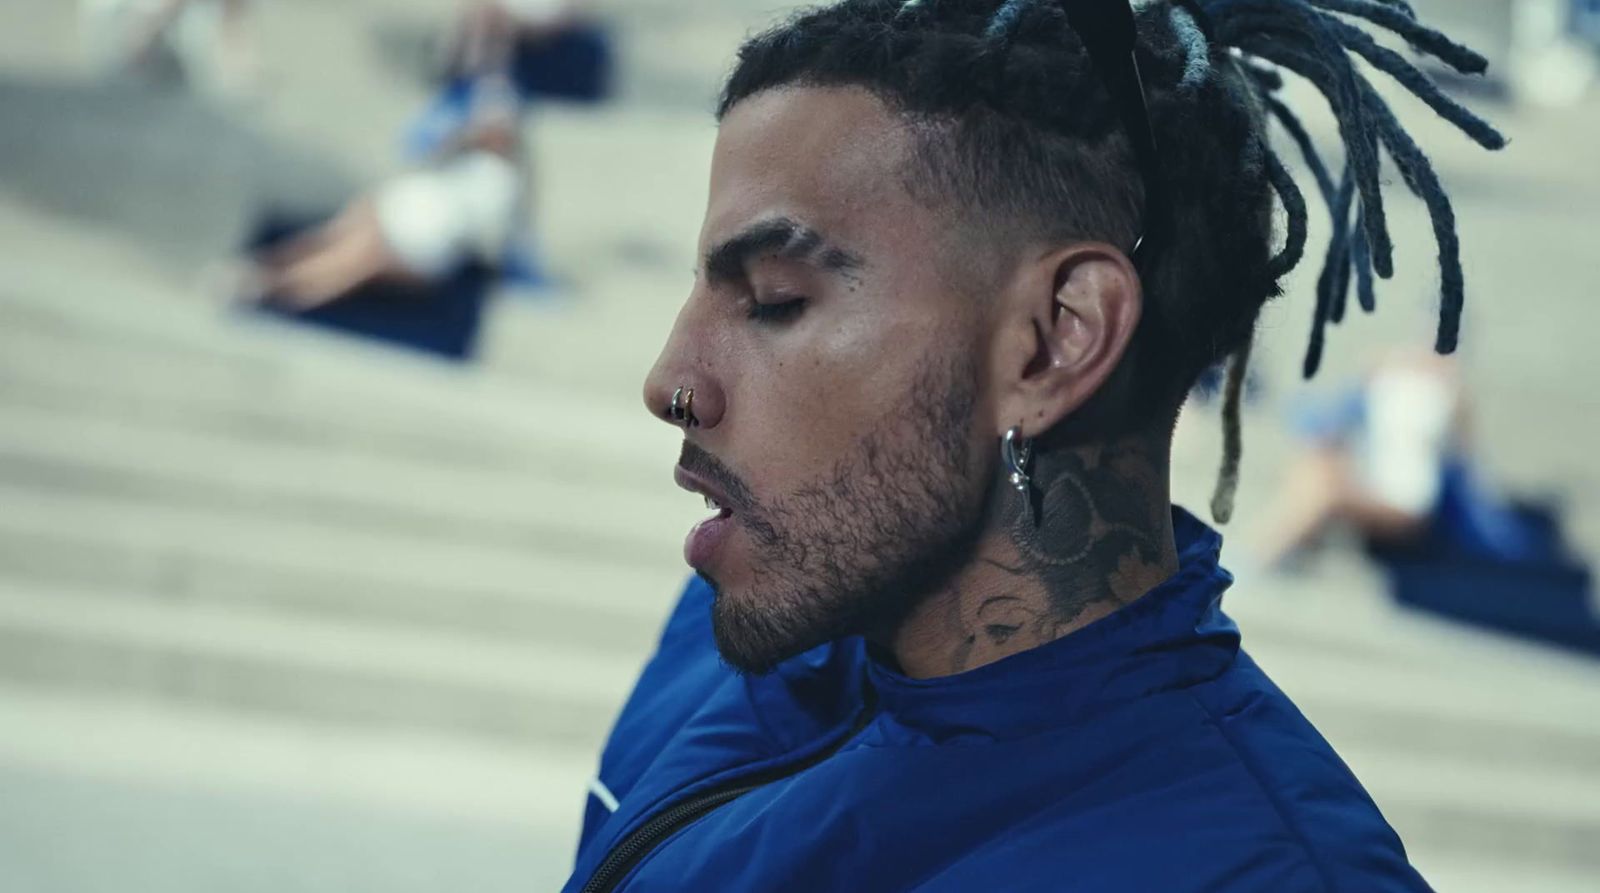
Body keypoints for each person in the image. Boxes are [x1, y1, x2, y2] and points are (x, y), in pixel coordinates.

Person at [568, 2, 1504, 891]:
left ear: (1056, 338)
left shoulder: (1250, 871)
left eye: (774, 298)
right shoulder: (756, 610)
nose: (671, 382)